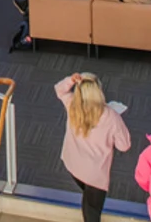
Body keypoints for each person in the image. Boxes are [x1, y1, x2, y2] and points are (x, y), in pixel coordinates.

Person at [56, 73, 130, 222]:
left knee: (88, 201)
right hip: (95, 176)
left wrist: (71, 80)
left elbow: (59, 89)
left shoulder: (72, 105)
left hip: (73, 166)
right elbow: (124, 145)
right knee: (92, 213)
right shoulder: (111, 116)